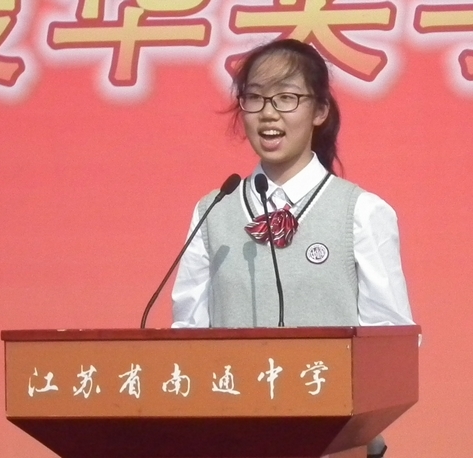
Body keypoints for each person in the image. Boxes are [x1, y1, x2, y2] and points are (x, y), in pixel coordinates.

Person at [171, 38, 414, 457]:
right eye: (255, 97)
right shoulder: (213, 211)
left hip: (335, 444)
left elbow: (390, 342)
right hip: (235, 439)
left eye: (286, 98)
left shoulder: (361, 212)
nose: (269, 113)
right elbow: (187, 336)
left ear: (320, 111)